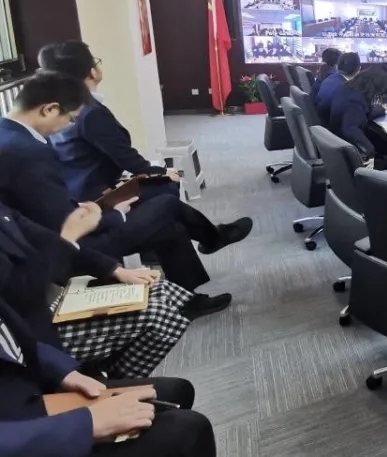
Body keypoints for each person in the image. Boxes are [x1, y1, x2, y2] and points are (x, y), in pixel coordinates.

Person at [0, 71, 240, 318]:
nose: (68, 127)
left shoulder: (8, 133)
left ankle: (189, 297)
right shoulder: (28, 152)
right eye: (69, 119)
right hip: (69, 250)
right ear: (49, 109)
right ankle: (211, 241)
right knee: (167, 204)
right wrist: (113, 215)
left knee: (169, 226)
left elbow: (41, 207)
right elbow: (64, 227)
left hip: (50, 235)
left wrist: (91, 208)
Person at [37, 42, 253, 240]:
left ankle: (208, 238)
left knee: (170, 222)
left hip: (78, 192)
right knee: (166, 189)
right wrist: (160, 172)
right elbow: (124, 156)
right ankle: (212, 237)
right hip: (96, 199)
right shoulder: (90, 112)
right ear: (91, 72)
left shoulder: (58, 108)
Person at [0, 295, 216, 457]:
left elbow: (13, 337)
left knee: (175, 392)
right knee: (188, 431)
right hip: (21, 437)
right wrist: (86, 425)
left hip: (23, 400)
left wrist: (62, 372)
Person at [0, 199, 191, 379]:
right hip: (32, 333)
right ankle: (114, 382)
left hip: (53, 297)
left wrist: (115, 270)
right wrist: (68, 236)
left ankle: (107, 375)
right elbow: (21, 292)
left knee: (163, 290)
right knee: (158, 315)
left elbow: (44, 239)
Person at [328, 65, 387, 168]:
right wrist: (370, 152)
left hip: (338, 145)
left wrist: (381, 110)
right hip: (348, 155)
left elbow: (362, 113)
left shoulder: (349, 89)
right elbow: (350, 129)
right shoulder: (355, 100)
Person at [315, 51, 360, 122]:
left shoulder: (330, 78)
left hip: (321, 120)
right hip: (333, 124)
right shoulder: (347, 88)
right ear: (358, 69)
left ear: (337, 66)